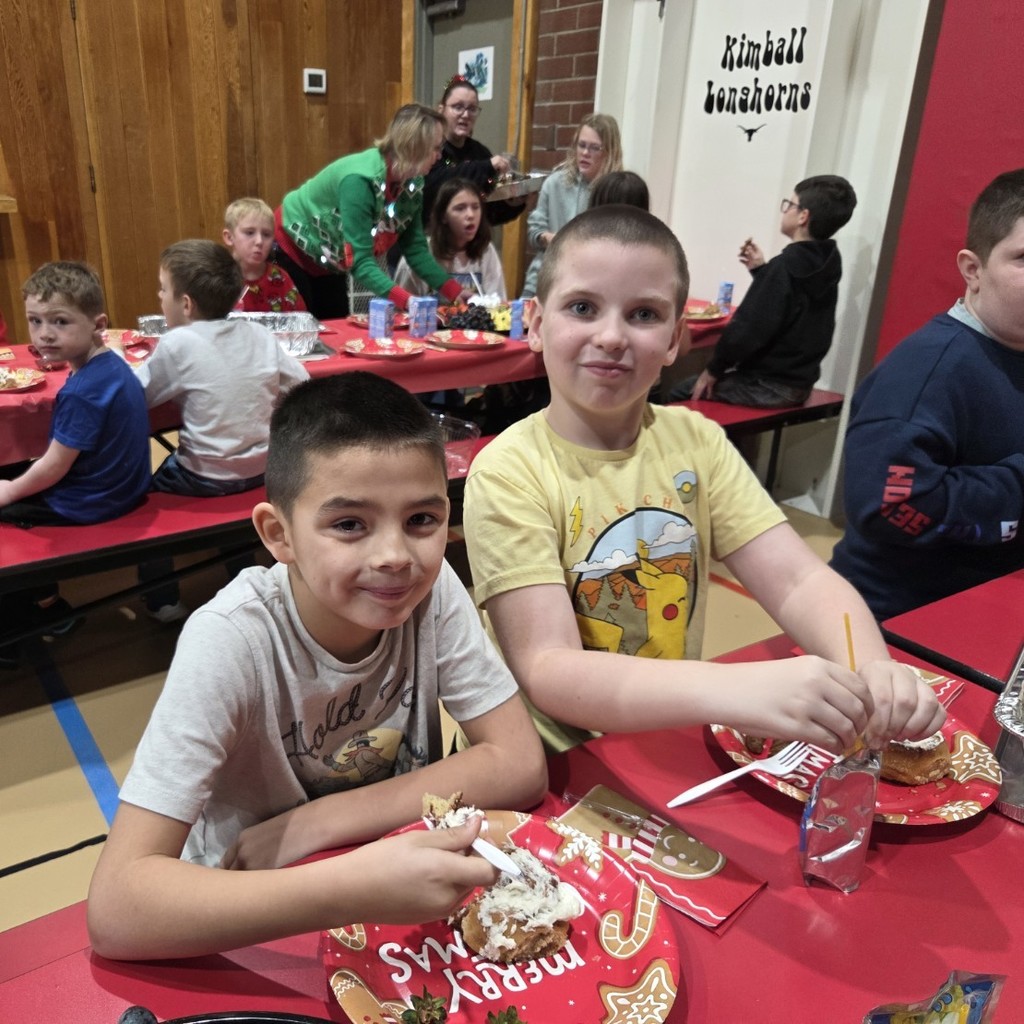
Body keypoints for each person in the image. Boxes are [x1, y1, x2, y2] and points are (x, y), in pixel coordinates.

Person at [87, 371, 547, 960]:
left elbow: (520, 762)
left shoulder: (429, 594)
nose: (395, 556)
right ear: (278, 534)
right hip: (253, 907)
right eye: (349, 524)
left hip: (391, 880)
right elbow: (117, 910)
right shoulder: (231, 639)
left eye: (422, 520)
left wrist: (319, 821)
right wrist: (351, 888)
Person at [463, 205, 944, 755]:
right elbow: (548, 667)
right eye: (582, 307)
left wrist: (872, 666)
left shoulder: (697, 441)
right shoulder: (510, 471)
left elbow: (798, 580)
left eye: (643, 314)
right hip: (559, 762)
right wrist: (735, 688)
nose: (612, 336)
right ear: (535, 323)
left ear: (675, 339)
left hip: (668, 737)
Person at [830, 168, 1024, 620]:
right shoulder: (927, 371)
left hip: (991, 602)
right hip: (896, 620)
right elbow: (891, 505)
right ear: (973, 269)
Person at [135, 239, 309, 621]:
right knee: (235, 498)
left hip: (204, 475)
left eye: (163, 289)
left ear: (185, 304)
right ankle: (239, 576)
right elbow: (302, 383)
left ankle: (162, 600)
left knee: (144, 499)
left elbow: (137, 395)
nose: (159, 297)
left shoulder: (177, 342)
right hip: (260, 470)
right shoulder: (257, 334)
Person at [0, 262, 150, 666]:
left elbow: (53, 468)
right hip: (120, 488)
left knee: (8, 498)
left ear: (98, 324)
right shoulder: (111, 364)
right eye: (35, 321)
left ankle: (16, 628)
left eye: (60, 321)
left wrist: (8, 492)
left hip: (91, 501)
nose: (45, 334)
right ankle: (47, 600)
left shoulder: (83, 391)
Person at [669, 174, 857, 408]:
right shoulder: (827, 263)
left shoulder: (784, 267)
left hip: (767, 385)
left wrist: (713, 369)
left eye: (789, 204)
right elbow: (792, 308)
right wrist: (761, 271)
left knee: (679, 393)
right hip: (799, 383)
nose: (784, 210)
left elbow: (748, 328)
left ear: (803, 216)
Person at [272, 104, 473, 319]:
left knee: (334, 329)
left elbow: (415, 250)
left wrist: (455, 291)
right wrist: (407, 301)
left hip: (328, 262)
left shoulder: (413, 183)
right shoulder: (360, 180)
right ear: (415, 147)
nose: (439, 156)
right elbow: (360, 262)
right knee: (302, 331)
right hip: (290, 247)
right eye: (436, 148)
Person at [520, 113, 623, 299]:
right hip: (544, 279)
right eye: (581, 145)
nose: (585, 153)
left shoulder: (616, 192)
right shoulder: (554, 183)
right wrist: (547, 238)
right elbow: (534, 230)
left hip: (591, 285)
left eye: (594, 148)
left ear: (610, 152)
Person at [421, 75, 526, 230]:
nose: (465, 115)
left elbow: (488, 212)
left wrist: (512, 204)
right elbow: (436, 185)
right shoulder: (429, 148)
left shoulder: (480, 153)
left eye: (472, 109)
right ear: (441, 110)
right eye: (458, 107)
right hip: (433, 237)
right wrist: (487, 166)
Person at [395, 178, 507, 299]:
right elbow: (401, 305)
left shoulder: (486, 251)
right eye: (460, 208)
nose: (470, 215)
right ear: (443, 216)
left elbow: (498, 302)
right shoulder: (420, 254)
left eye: (475, 207)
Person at [223, 197, 305, 313]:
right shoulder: (217, 278)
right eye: (249, 233)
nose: (259, 241)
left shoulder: (280, 278)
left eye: (266, 235)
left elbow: (300, 317)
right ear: (229, 237)